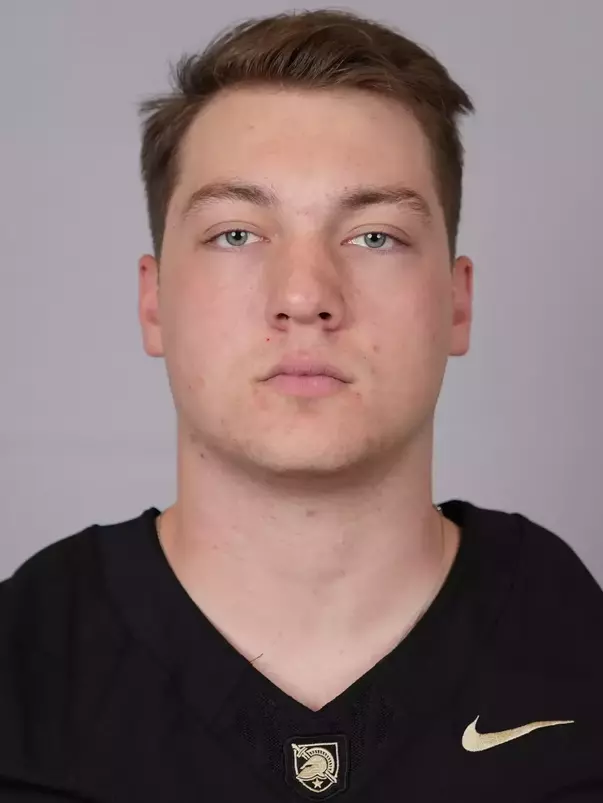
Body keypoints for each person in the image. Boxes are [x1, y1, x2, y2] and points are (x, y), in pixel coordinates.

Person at [1, 8, 602, 802]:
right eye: (238, 235)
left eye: (375, 236)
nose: (304, 296)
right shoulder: (26, 666)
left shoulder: (575, 652)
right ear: (154, 303)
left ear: (456, 306)